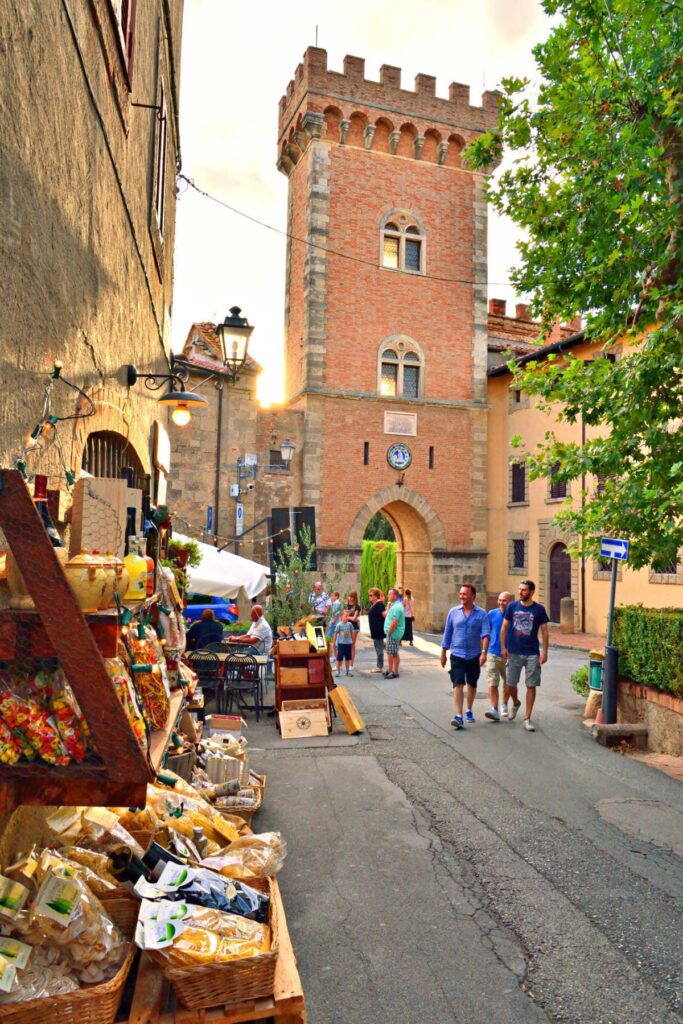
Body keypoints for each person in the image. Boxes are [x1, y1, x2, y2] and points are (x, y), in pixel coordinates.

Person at [500, 579, 549, 732]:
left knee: (531, 684)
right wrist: (503, 647)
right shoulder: (512, 607)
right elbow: (504, 628)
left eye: (524, 590)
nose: (520, 592)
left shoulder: (539, 609)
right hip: (514, 651)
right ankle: (515, 703)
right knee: (511, 684)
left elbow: (545, 631)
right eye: (520, 589)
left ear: (532, 592)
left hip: (532, 652)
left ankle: (527, 718)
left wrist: (545, 651)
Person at [439, 583, 490, 729]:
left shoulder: (481, 614)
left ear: (473, 596)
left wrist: (484, 653)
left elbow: (486, 634)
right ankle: (458, 715)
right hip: (457, 654)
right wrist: (443, 653)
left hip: (474, 655)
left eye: (465, 594)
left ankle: (468, 709)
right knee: (458, 683)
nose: (461, 596)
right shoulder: (453, 612)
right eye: (460, 594)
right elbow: (447, 633)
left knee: (472, 683)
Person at [484, 591, 514, 722]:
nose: (501, 603)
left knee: (508, 683)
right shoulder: (491, 614)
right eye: (500, 600)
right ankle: (494, 709)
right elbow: (485, 632)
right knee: (492, 681)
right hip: (493, 653)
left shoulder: (515, 616)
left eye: (504, 600)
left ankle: (505, 704)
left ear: (510, 602)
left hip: (510, 655)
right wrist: (484, 651)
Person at [383, 587, 405, 678]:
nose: (388, 596)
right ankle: (392, 670)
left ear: (395, 596)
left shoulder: (396, 607)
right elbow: (386, 615)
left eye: (390, 594)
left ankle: (392, 671)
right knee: (394, 652)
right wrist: (388, 606)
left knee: (391, 653)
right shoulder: (394, 605)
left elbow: (395, 622)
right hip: (393, 633)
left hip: (393, 633)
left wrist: (389, 633)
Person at [367, 588, 386, 673]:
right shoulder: (374, 604)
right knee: (378, 648)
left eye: (371, 595)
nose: (369, 597)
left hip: (378, 630)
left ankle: (379, 667)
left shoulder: (379, 604)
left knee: (379, 649)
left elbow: (385, 616)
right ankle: (379, 665)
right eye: (369, 595)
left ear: (376, 596)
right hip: (375, 630)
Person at [333, 609, 354, 677]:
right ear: (341, 617)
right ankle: (337, 670)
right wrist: (334, 642)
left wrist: (352, 641)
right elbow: (335, 633)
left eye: (347, 616)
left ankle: (347, 671)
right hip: (341, 644)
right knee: (339, 658)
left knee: (348, 658)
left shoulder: (349, 624)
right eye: (345, 616)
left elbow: (352, 632)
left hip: (348, 644)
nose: (346, 617)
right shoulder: (339, 625)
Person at [345, 590, 361, 667]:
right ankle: (347, 663)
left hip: (354, 627)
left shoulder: (357, 607)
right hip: (346, 627)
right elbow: (342, 617)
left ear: (355, 598)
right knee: (345, 644)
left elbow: (354, 618)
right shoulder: (346, 605)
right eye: (349, 596)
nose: (350, 598)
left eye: (352, 597)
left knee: (352, 645)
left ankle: (351, 664)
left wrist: (347, 617)